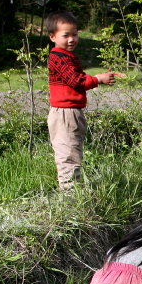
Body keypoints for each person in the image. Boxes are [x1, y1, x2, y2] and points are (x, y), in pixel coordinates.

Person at [46, 11, 122, 190]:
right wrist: (97, 79)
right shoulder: (59, 58)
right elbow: (76, 80)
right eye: (66, 35)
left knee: (73, 151)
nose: (71, 39)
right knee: (68, 154)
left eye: (75, 34)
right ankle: (70, 195)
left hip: (69, 112)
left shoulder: (65, 57)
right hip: (65, 113)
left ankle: (72, 190)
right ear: (53, 37)